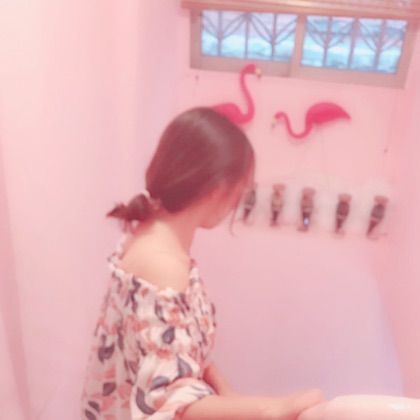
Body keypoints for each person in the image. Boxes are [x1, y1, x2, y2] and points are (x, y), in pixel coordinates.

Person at [80, 107, 324, 419]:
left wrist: (231, 397)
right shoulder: (162, 266)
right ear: (218, 189)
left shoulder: (153, 235)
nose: (236, 202)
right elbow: (169, 401)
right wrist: (271, 408)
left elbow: (181, 352)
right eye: (240, 191)